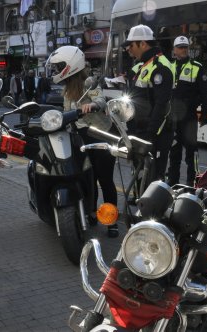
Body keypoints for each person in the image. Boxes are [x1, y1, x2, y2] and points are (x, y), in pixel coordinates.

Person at [46, 45, 119, 238]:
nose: (56, 71)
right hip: (81, 137)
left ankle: (112, 221)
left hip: (101, 134)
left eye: (59, 66)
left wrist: (92, 105)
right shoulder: (67, 88)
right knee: (88, 177)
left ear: (70, 65)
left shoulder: (88, 82)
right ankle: (93, 213)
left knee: (105, 179)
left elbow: (101, 100)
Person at [122, 24, 175, 182]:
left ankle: (153, 206)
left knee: (153, 179)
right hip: (140, 131)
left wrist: (150, 136)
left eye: (131, 45)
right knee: (141, 176)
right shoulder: (144, 65)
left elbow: (161, 105)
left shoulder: (160, 66)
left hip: (154, 135)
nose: (128, 50)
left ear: (143, 43)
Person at [166, 35, 207, 187]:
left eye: (185, 47)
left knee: (192, 152)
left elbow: (204, 94)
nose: (183, 50)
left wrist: (204, 115)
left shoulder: (197, 67)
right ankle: (172, 181)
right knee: (174, 151)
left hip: (189, 117)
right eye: (180, 47)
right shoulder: (169, 67)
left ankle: (194, 181)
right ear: (174, 50)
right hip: (173, 117)